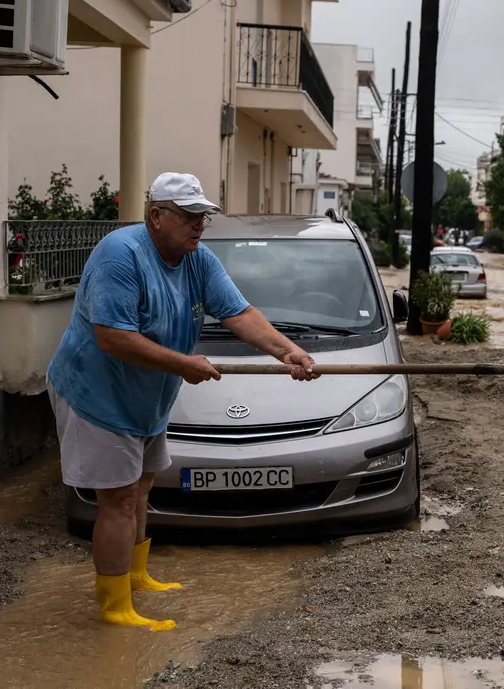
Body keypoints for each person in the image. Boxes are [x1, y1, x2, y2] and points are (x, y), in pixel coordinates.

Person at [45, 172, 319, 632]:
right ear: (157, 215)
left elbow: (239, 312)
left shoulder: (197, 259)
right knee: (118, 500)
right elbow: (112, 337)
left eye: (204, 216)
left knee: (142, 489)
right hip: (98, 393)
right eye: (191, 216)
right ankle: (115, 607)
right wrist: (183, 364)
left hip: (147, 395)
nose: (200, 225)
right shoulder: (120, 255)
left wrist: (285, 349)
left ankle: (134, 576)